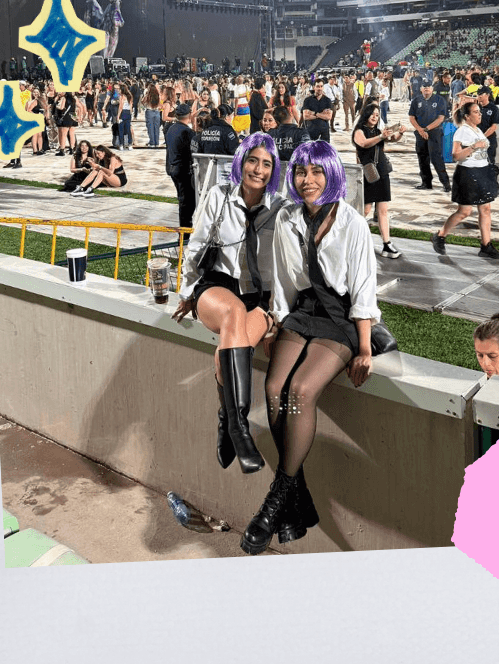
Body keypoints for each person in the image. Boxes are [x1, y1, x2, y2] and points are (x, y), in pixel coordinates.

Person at [242, 141, 380, 555]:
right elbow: (284, 279)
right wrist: (276, 320)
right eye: (301, 172)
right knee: (272, 390)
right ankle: (295, 500)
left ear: (332, 174)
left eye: (317, 172)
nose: (308, 181)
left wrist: (365, 346)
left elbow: (363, 286)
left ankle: (276, 501)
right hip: (302, 312)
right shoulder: (287, 218)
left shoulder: (352, 222)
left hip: (340, 318)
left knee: (300, 392)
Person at [173, 133, 286, 475]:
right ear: (240, 162)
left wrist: (280, 311)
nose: (259, 169)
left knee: (231, 339)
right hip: (217, 286)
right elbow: (197, 245)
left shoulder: (281, 208)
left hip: (260, 295)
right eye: (253, 160)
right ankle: (241, 428)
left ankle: (226, 419)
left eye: (267, 163)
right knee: (234, 314)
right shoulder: (218, 196)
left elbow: (289, 266)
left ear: (274, 169)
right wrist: (187, 291)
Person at [431, 99, 499, 259]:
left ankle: (486, 246)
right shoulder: (462, 131)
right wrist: (473, 147)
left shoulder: (477, 129)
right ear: (467, 116)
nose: (480, 114)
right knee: (464, 211)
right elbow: (456, 155)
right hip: (468, 173)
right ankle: (440, 235)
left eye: (480, 111)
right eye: (476, 112)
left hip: (482, 171)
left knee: (485, 209)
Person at [353, 100, 403, 259]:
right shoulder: (359, 131)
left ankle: (387, 244)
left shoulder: (377, 131)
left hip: (381, 172)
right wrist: (381, 136)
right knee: (366, 209)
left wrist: (399, 132)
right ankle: (349, 234)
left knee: (383, 210)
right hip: (369, 173)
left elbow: (392, 139)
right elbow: (364, 144)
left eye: (377, 115)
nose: (375, 117)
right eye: (372, 114)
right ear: (366, 115)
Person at [407, 81, 451, 191]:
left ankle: (446, 184)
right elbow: (412, 117)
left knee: (436, 159)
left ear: (432, 89)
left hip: (434, 132)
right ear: (421, 89)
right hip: (420, 133)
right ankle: (426, 183)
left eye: (428, 87)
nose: (426, 89)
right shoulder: (416, 100)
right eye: (424, 87)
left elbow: (441, 118)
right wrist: (420, 130)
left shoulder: (440, 100)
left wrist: (426, 129)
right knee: (422, 158)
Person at [164, 101, 197, 227]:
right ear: (189, 115)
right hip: (182, 170)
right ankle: (185, 232)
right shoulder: (187, 132)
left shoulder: (170, 128)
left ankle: (185, 229)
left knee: (183, 199)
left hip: (172, 167)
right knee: (186, 202)